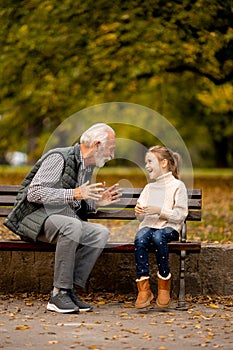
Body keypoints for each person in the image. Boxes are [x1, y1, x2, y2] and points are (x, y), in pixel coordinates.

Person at [4, 123, 121, 314]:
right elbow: (34, 193)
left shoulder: (86, 167)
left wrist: (98, 202)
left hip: (62, 221)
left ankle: (69, 290)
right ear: (98, 144)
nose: (112, 155)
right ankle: (58, 294)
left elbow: (77, 201)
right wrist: (75, 193)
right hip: (34, 220)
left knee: (100, 233)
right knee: (73, 225)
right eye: (111, 149)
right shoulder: (59, 157)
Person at [134, 145, 188, 309]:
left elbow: (180, 215)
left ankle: (164, 285)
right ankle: (144, 290)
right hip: (148, 226)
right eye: (146, 162)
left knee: (159, 237)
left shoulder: (178, 186)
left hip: (169, 228)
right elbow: (140, 215)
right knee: (140, 238)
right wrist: (139, 211)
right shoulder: (149, 188)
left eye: (150, 161)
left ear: (163, 163)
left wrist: (160, 211)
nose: (147, 165)